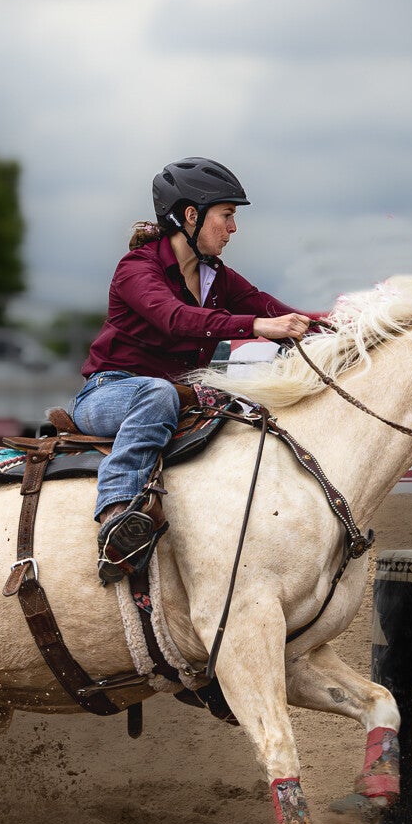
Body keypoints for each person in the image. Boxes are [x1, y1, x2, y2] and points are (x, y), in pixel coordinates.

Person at [73, 157, 312, 585]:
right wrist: (257, 326)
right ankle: (116, 514)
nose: (233, 228)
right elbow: (175, 319)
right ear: (190, 215)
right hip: (109, 393)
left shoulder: (216, 276)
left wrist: (362, 323)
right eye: (227, 215)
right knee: (157, 393)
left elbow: (280, 312)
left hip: (175, 397)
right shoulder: (136, 268)